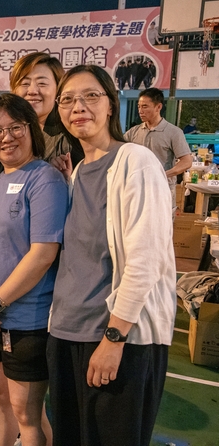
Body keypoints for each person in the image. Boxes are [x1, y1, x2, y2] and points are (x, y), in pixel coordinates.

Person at [49, 65, 176, 445]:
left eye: (91, 96)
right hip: (67, 331)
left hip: (117, 339)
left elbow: (146, 259)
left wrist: (114, 337)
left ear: (111, 105)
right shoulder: (78, 172)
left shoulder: (136, 161)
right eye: (68, 99)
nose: (78, 107)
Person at [0, 93, 68, 446]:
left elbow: (43, 254)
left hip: (27, 320)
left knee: (28, 414)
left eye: (15, 128)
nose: (6, 137)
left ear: (31, 130)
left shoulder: (46, 180)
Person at [10, 51, 84, 167]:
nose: (32, 91)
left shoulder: (71, 136)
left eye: (42, 83)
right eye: (25, 83)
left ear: (59, 89)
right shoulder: (5, 132)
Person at [123, 88, 192, 210]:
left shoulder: (173, 132)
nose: (140, 111)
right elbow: (117, 151)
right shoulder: (134, 132)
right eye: (139, 107)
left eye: (145, 106)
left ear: (158, 107)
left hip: (162, 191)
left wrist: (163, 174)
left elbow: (186, 161)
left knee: (162, 221)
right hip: (137, 190)